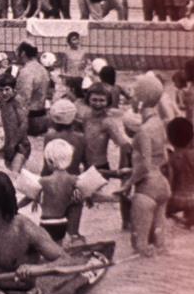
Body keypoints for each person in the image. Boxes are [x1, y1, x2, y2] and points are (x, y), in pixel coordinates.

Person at [120, 74, 170, 257]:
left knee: (139, 247)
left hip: (146, 190)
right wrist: (131, 170)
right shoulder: (159, 124)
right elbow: (162, 157)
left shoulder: (142, 130)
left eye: (134, 95)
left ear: (141, 100)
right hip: (162, 186)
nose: (131, 99)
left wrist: (127, 184)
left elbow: (144, 166)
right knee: (160, 245)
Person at [37, 138, 79, 243]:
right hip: (62, 222)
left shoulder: (44, 181)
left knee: (47, 250)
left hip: (46, 222)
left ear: (50, 161)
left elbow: (28, 196)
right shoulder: (73, 179)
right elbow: (86, 193)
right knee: (59, 248)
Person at [82, 83, 130, 171]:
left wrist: (123, 166)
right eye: (94, 99)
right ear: (88, 100)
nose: (97, 103)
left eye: (102, 100)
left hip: (100, 166)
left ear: (108, 102)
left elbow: (123, 144)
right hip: (86, 165)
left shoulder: (108, 122)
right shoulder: (86, 116)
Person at [0, 72, 30, 173]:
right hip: (10, 145)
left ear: (14, 89)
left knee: (14, 176)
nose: (4, 93)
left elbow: (24, 124)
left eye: (7, 89)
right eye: (1, 90)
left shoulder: (17, 102)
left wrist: (13, 144)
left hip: (21, 146)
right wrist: (7, 145)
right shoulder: (3, 103)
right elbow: (8, 127)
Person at [15, 42, 50, 136]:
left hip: (31, 121)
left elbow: (23, 100)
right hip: (43, 117)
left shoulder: (26, 71)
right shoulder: (43, 70)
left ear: (23, 53)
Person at [166, 116, 194, 227]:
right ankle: (189, 220)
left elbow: (169, 182)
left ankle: (176, 218)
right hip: (193, 199)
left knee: (160, 208)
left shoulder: (171, 159)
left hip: (176, 200)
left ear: (169, 139)